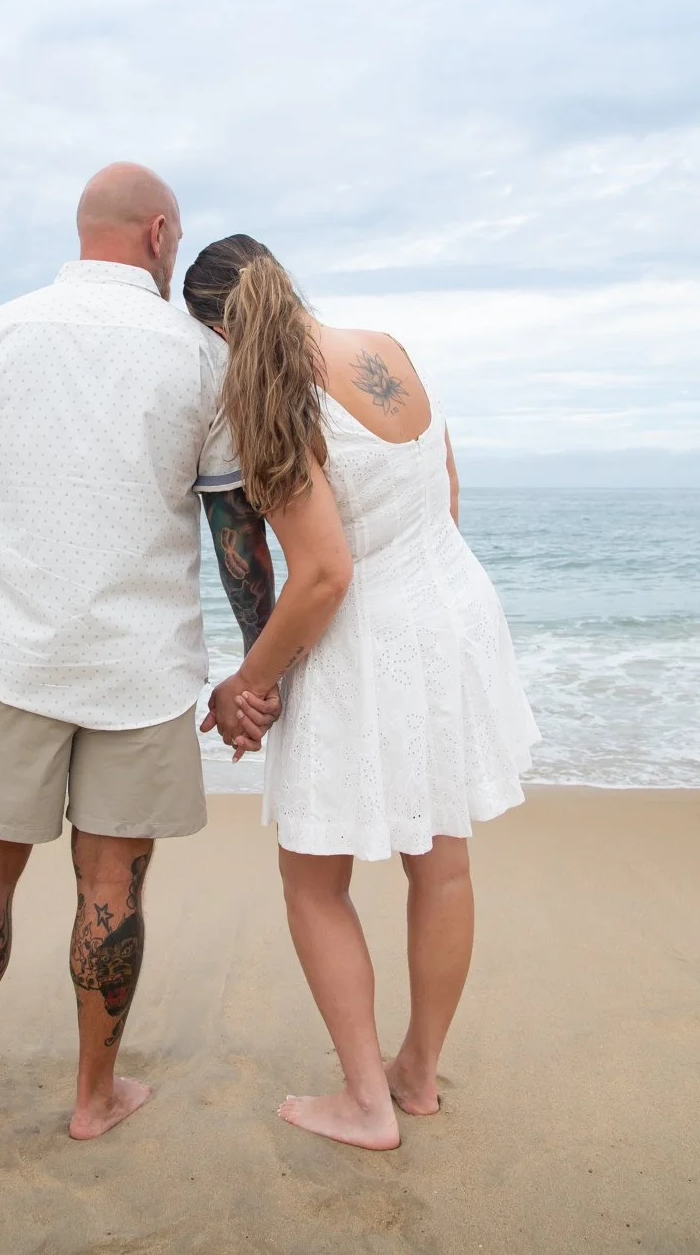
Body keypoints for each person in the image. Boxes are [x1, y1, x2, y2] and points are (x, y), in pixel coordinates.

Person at [0, 164, 346, 1146]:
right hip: (141, 674)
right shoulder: (197, 359)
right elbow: (240, 535)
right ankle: (93, 1099)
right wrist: (253, 674)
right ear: (157, 234)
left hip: (8, 655)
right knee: (112, 890)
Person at [185, 235, 541, 1152]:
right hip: (455, 609)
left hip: (369, 632)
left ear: (218, 332)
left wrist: (244, 687)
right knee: (443, 860)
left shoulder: (275, 406)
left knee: (313, 877)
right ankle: (416, 1074)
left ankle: (365, 1102)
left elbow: (323, 576)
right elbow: (447, 490)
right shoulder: (390, 346)